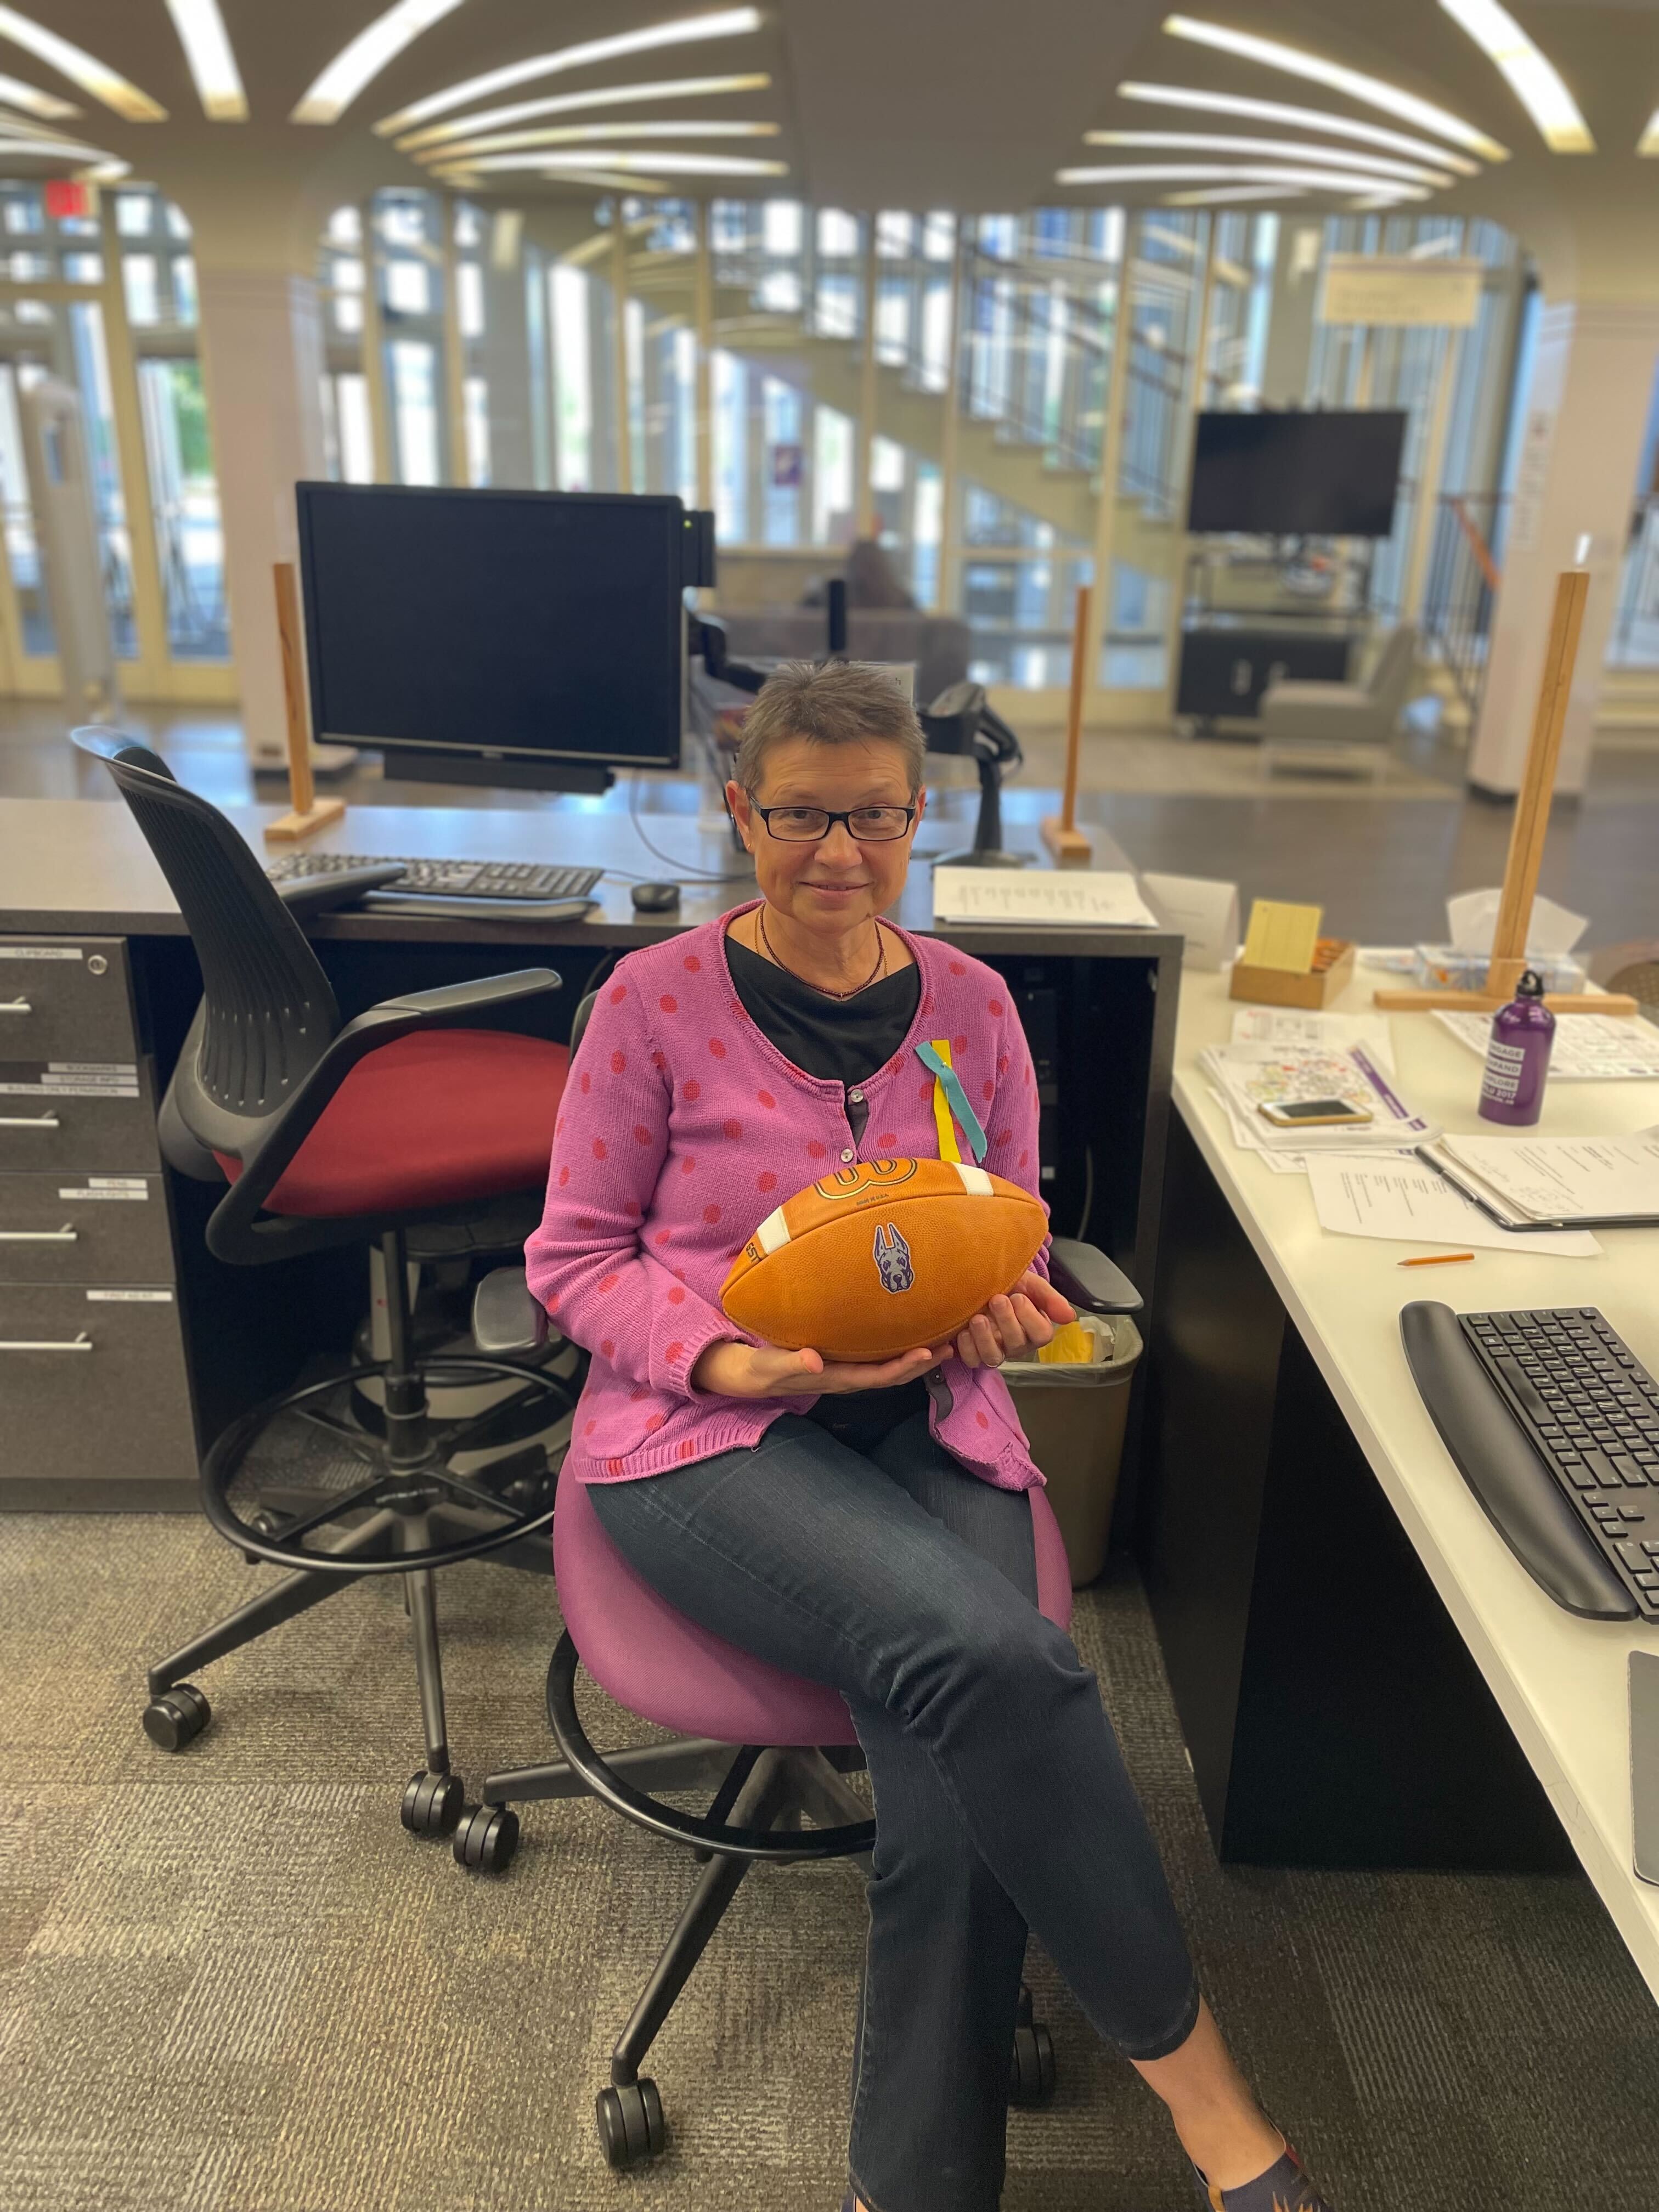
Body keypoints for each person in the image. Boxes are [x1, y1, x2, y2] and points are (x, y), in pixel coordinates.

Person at [524, 661, 1334, 2212]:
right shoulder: (653, 1005)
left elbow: (1016, 1241)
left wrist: (1006, 1313)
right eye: (806, 814)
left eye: (878, 816)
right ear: (739, 810)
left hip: (932, 1423)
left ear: (919, 822)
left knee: (962, 1775)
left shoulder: (971, 1010)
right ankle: (1221, 2115)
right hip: (708, 1440)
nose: (842, 851)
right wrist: (722, 1355)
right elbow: (571, 1261)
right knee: (1008, 1664)